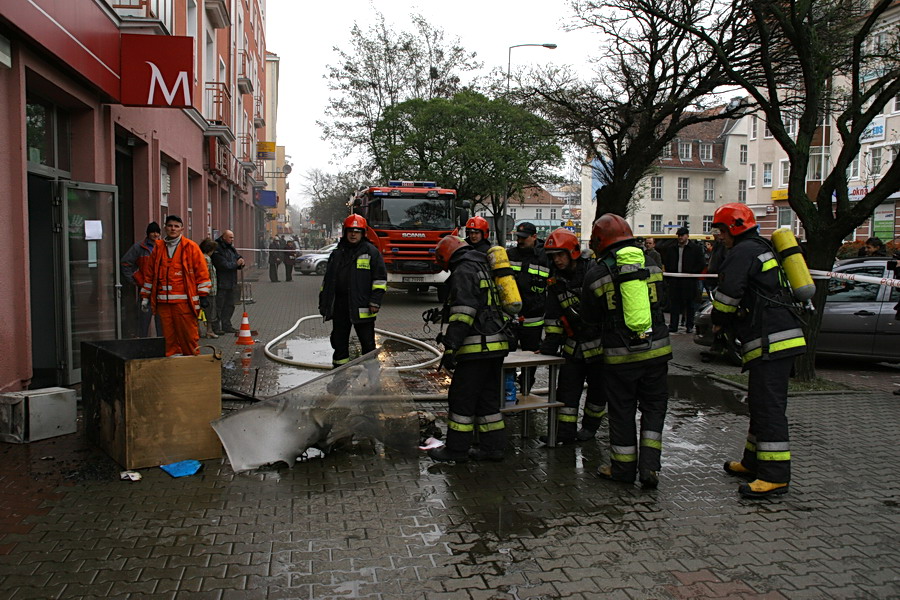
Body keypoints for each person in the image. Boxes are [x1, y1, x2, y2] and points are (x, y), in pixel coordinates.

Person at [711, 203, 806, 499]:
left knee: (769, 409)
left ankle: (774, 476)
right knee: (760, 404)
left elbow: (728, 297)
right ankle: (753, 462)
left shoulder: (742, 252)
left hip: (771, 340)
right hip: (777, 337)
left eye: (722, 231)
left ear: (734, 228)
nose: (720, 237)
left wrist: (718, 322)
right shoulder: (760, 246)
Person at [582, 214, 671, 489]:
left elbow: (589, 320)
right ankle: (649, 469)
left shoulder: (596, 273)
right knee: (654, 409)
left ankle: (623, 468)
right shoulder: (651, 262)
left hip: (621, 357)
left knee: (622, 411)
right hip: (657, 352)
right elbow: (663, 301)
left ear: (600, 242)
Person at [428, 235, 512, 463]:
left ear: (446, 256)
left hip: (477, 347)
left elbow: (464, 313)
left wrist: (451, 347)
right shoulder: (482, 265)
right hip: (496, 344)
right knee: (488, 400)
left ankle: (456, 450)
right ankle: (492, 448)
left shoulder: (463, 271)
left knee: (461, 398)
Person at [539, 228, 606, 445]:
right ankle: (564, 433)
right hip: (573, 347)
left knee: (597, 393)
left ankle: (589, 429)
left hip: (598, 347)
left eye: (560, 254)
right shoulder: (555, 281)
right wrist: (548, 348)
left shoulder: (593, 273)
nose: (557, 260)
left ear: (572, 252)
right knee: (566, 394)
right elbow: (552, 317)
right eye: (553, 256)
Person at [318, 215, 387, 368]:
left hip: (363, 306)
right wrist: (324, 302)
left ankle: (371, 378)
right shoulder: (337, 253)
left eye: (357, 231)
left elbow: (380, 279)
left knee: (368, 345)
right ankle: (339, 375)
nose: (353, 234)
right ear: (345, 232)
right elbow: (327, 281)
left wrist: (375, 301)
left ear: (363, 233)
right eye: (350, 231)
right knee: (339, 342)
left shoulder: (371, 252)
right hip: (340, 306)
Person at [140, 215, 211, 356]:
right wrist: (145, 297)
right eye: (170, 225)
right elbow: (150, 275)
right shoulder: (158, 248)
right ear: (165, 228)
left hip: (184, 303)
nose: (173, 228)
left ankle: (192, 364)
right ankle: (173, 368)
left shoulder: (191, 247)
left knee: (188, 337)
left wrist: (203, 295)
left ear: (182, 229)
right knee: (168, 339)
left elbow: (202, 273)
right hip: (163, 303)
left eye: (176, 226)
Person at [506, 222, 550, 392]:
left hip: (533, 320)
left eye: (524, 238)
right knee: (507, 357)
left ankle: (525, 390)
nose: (520, 241)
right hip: (510, 319)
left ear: (534, 237)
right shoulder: (510, 255)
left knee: (529, 361)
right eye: (518, 237)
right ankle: (508, 391)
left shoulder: (544, 258)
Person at [120, 221, 161, 338]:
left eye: (157, 232)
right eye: (152, 232)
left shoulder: (163, 246)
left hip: (160, 289)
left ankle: (162, 346)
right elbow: (125, 263)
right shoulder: (138, 247)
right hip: (146, 290)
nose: (155, 235)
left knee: (162, 322)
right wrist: (135, 280)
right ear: (148, 233)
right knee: (143, 321)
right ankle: (142, 344)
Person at [660, 227, 706, 333]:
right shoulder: (672, 248)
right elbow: (667, 262)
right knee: (675, 304)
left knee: (690, 304)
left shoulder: (695, 248)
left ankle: (689, 325)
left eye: (682, 235)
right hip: (675, 280)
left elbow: (701, 263)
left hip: (689, 280)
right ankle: (673, 325)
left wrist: (692, 272)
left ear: (687, 236)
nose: (680, 238)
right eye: (679, 235)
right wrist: (671, 274)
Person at [212, 230, 244, 334]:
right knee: (219, 306)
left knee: (230, 305)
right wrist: (236, 264)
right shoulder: (217, 248)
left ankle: (227, 325)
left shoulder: (230, 248)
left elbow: (237, 256)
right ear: (224, 237)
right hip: (221, 282)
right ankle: (216, 327)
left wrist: (241, 261)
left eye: (233, 237)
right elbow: (223, 265)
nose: (232, 239)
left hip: (231, 282)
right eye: (230, 237)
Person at [198, 238, 218, 339]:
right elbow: (206, 274)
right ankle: (208, 331)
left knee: (202, 311)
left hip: (205, 289)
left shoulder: (201, 257)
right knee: (209, 312)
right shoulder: (206, 259)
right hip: (208, 290)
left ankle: (199, 330)